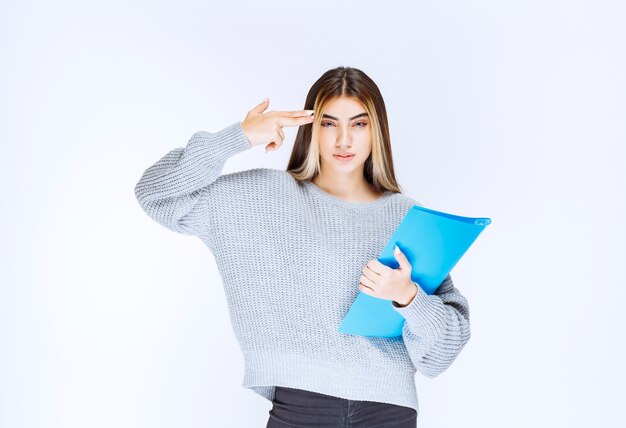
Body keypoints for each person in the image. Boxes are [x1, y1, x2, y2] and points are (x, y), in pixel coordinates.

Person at [134, 66, 471, 427]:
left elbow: (442, 352)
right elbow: (156, 194)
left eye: (358, 124)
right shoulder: (263, 197)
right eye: (329, 123)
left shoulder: (407, 218)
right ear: (310, 128)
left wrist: (408, 297)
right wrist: (238, 137)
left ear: (377, 131)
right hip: (301, 408)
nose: (344, 140)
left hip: (389, 411)